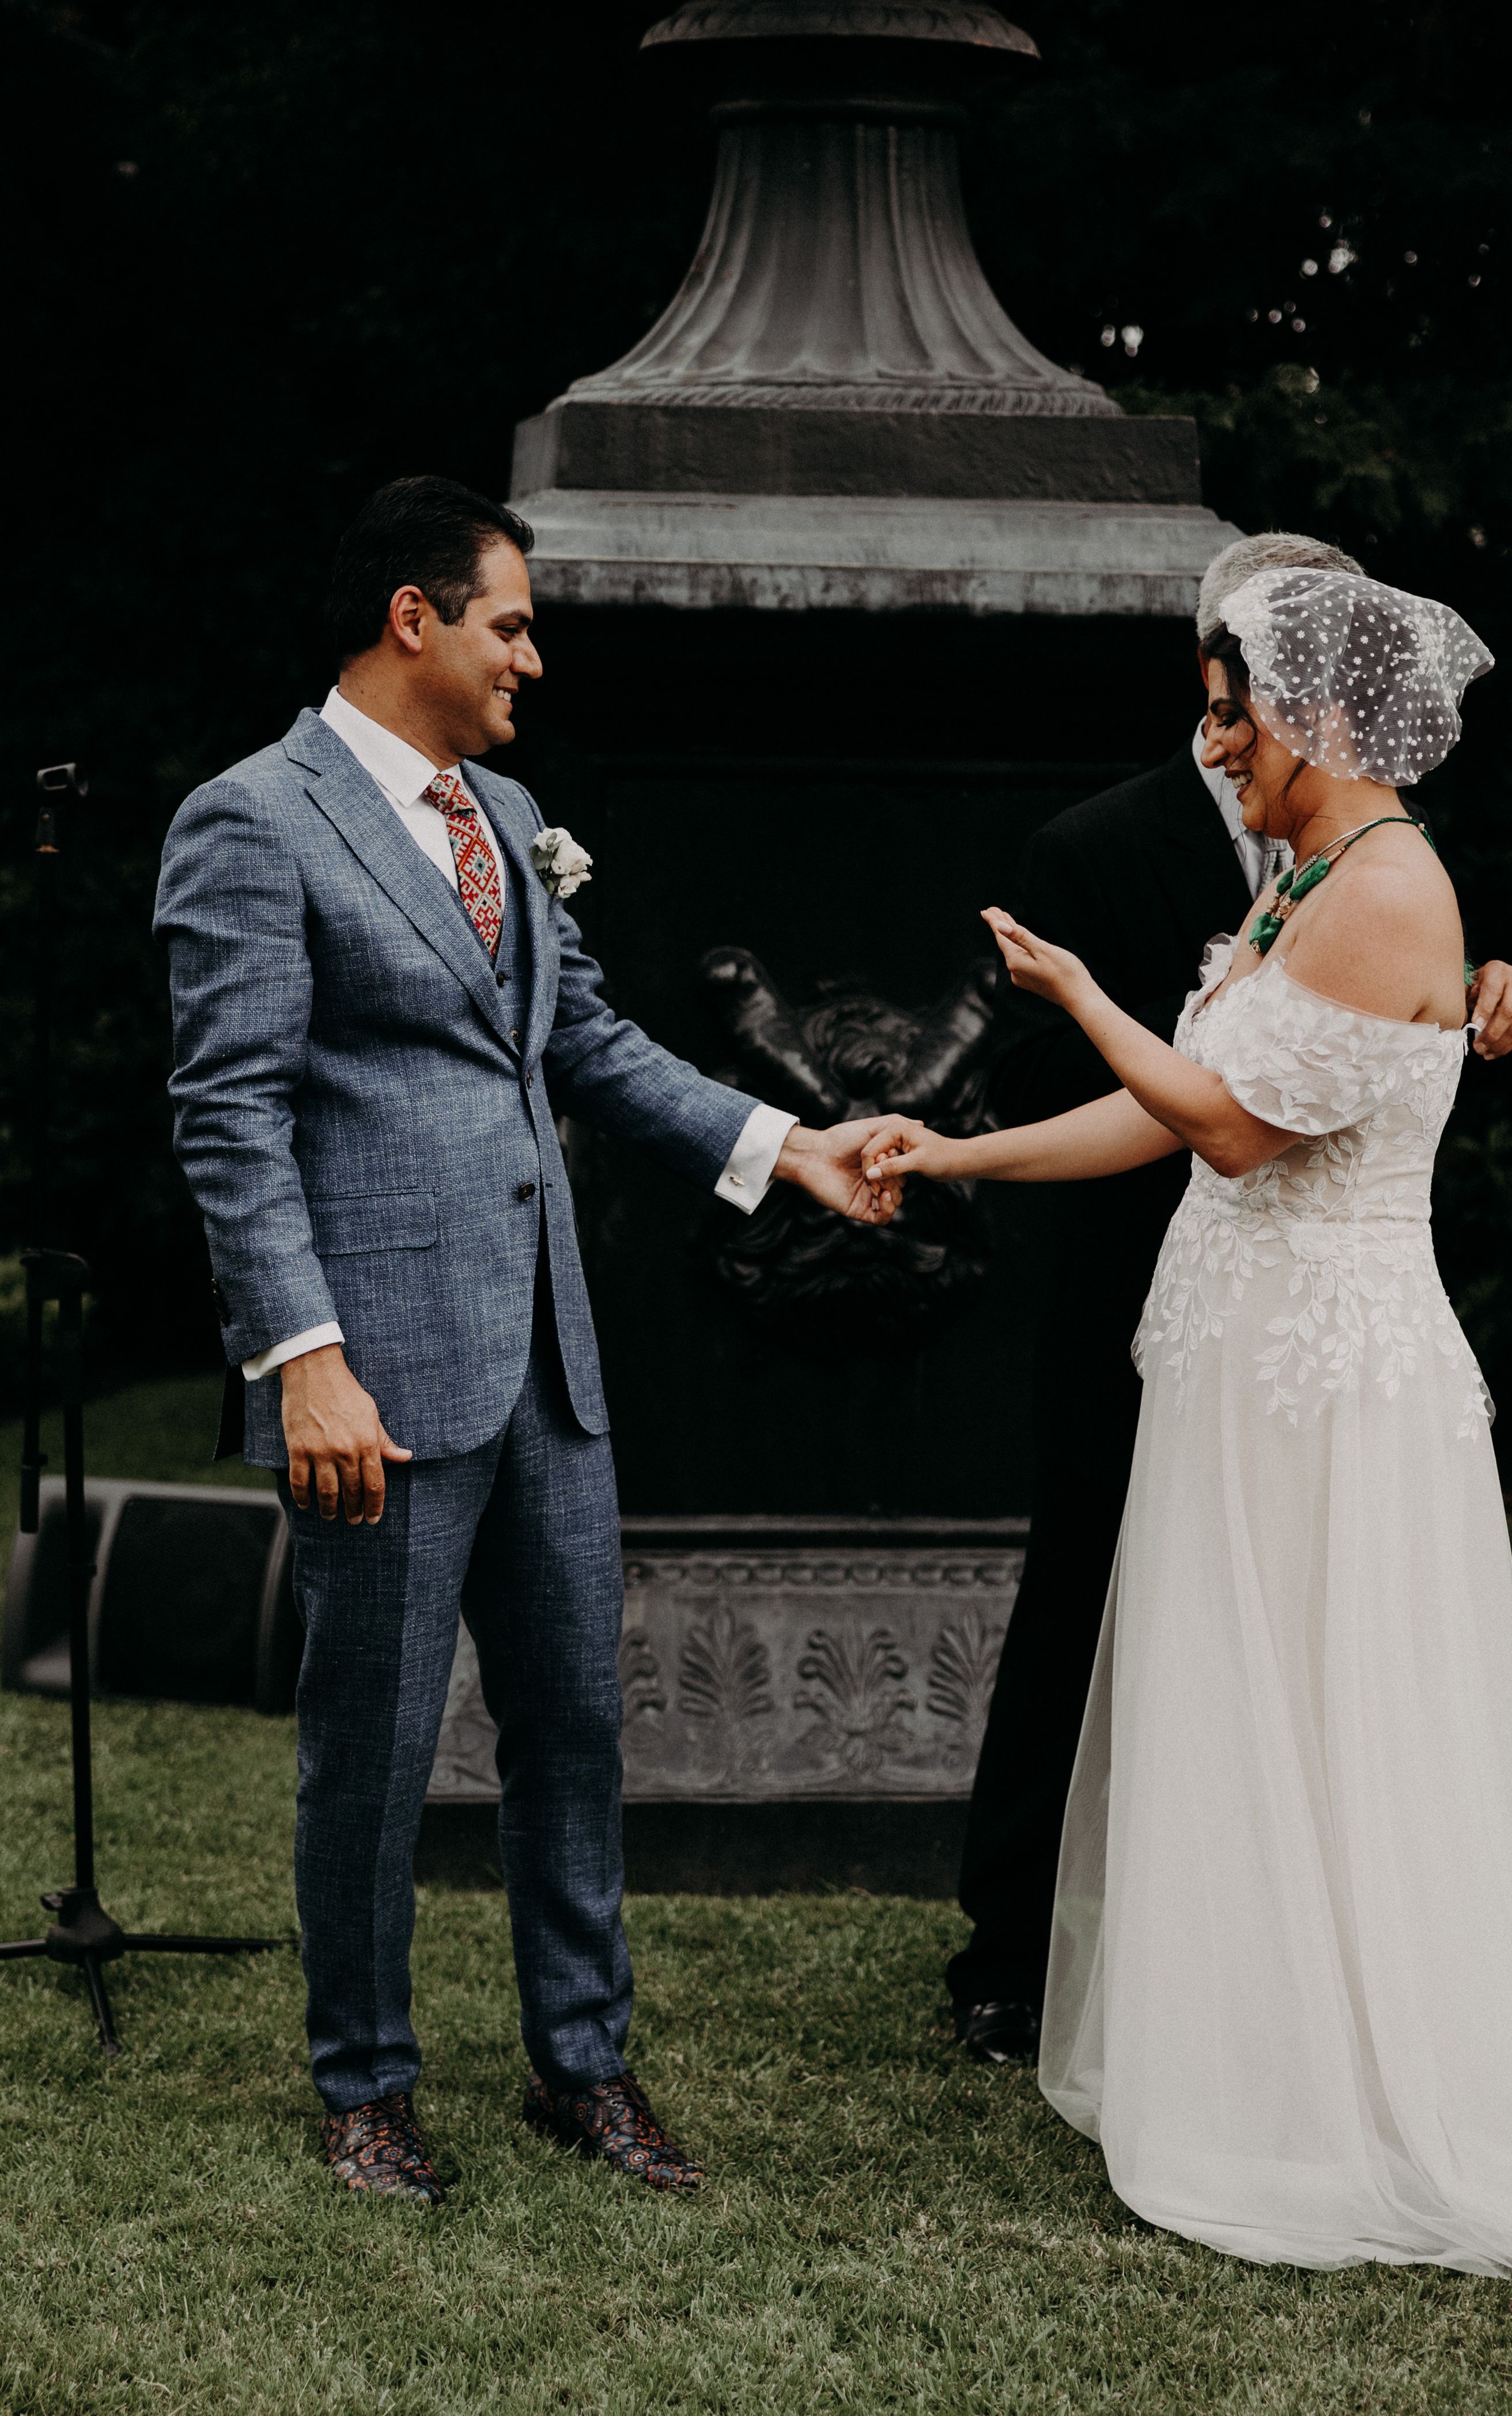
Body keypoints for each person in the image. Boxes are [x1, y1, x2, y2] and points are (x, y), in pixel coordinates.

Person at [863, 566, 1512, 2282]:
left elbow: (1235, 1131)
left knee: (1330, 1712)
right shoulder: (1318, 881)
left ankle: (1351, 2088)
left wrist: (1079, 992)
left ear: (1319, 714)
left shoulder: (1389, 887)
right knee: (1242, 1709)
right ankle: (1259, 2050)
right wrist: (951, 1151)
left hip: (1325, 1385)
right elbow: (1154, 1120)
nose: (1215, 745)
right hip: (1245, 1368)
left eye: (1230, 711)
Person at [154, 476, 896, 2205]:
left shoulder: (510, 812)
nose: (533, 658)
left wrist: (785, 1145)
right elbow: (230, 1115)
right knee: (379, 1740)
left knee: (577, 1724)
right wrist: (302, 1354)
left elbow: (593, 1043)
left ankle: (586, 2061)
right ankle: (365, 2085)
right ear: (412, 618)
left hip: (547, 1357)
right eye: (511, 622)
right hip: (377, 1375)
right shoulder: (252, 822)